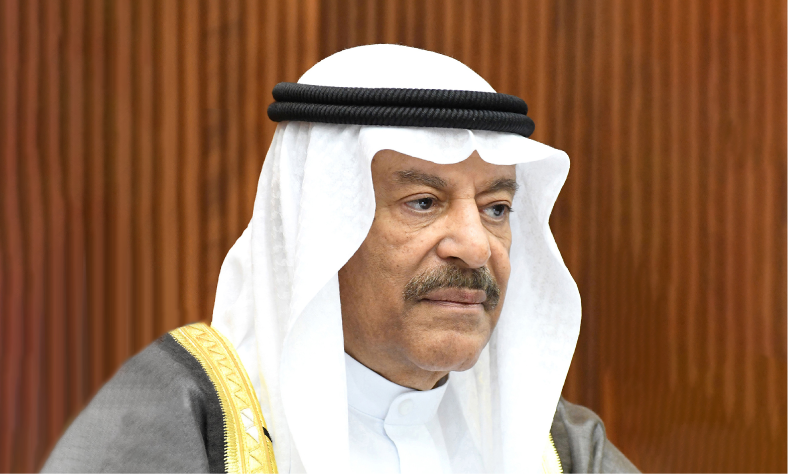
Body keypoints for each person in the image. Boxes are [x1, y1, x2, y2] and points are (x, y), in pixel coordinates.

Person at [43, 44, 638, 473]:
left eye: (496, 208)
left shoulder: (558, 446)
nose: (477, 245)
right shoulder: (179, 417)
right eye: (424, 202)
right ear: (322, 226)